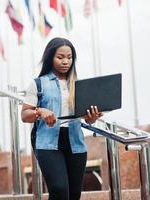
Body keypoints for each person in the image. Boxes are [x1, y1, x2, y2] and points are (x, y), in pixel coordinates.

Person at [21, 37, 103, 200]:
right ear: (50, 57)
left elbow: (87, 119)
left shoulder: (79, 85)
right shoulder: (38, 84)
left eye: (69, 57)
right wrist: (40, 111)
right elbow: (25, 115)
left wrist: (92, 117)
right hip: (48, 143)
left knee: (73, 195)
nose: (65, 61)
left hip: (76, 144)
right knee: (59, 190)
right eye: (60, 57)